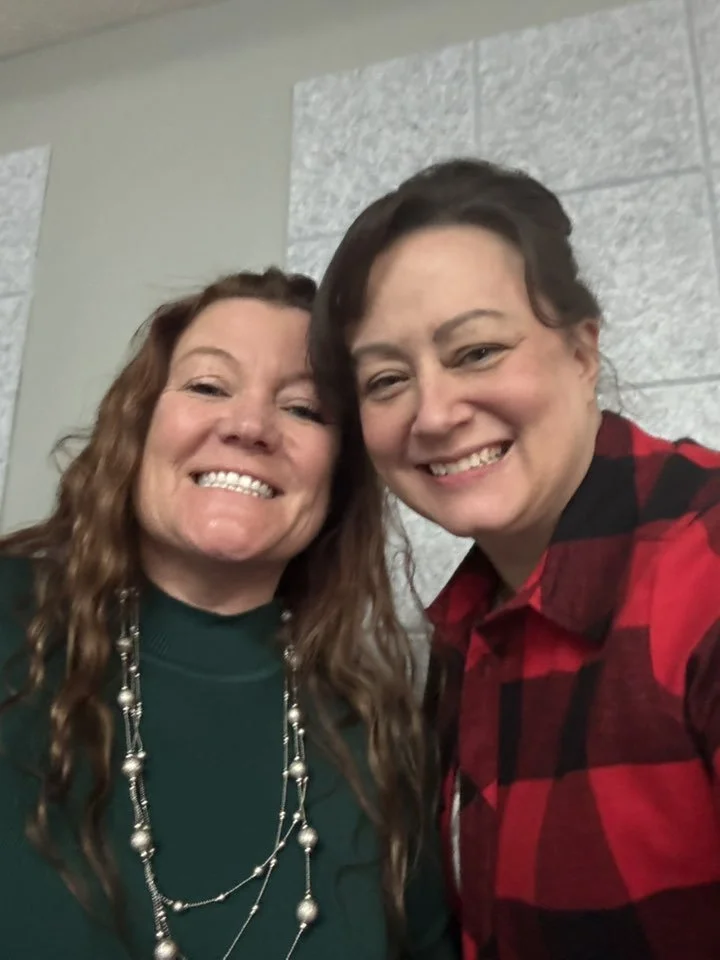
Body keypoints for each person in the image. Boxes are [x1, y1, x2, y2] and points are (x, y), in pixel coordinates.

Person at [308, 158, 720, 960]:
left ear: (581, 350)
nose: (434, 413)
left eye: (476, 352)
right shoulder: (472, 624)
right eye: (387, 379)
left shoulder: (705, 566)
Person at [0, 268, 458, 960]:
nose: (249, 426)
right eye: (208, 386)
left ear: (340, 477)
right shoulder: (12, 620)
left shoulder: (384, 732)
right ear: (140, 425)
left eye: (304, 408)